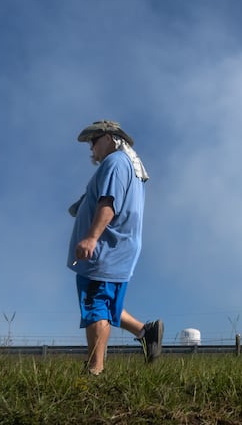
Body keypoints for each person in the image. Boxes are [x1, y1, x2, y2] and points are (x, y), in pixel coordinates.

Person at [67, 119, 163, 375]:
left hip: (105, 248)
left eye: (94, 141)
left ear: (110, 137)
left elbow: (109, 202)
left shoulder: (115, 162)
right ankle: (145, 332)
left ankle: (94, 371)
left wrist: (91, 237)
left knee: (95, 304)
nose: (91, 148)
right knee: (105, 302)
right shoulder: (128, 164)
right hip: (119, 247)